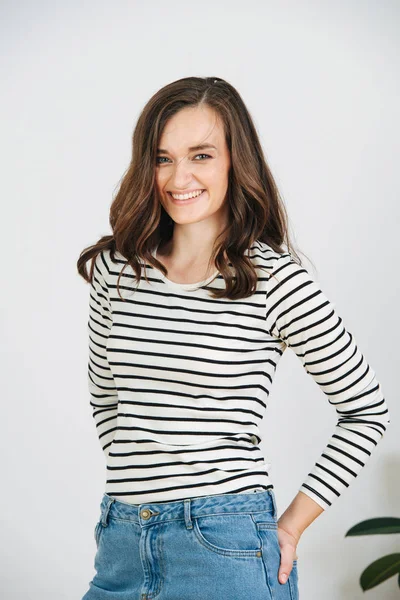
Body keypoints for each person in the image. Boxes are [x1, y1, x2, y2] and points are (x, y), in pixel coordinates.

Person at [77, 76, 391, 600]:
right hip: (121, 541)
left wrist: (289, 525)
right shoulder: (117, 269)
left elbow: (367, 411)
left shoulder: (275, 281)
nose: (179, 177)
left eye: (200, 155)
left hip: (224, 543)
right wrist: (141, 485)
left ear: (233, 161)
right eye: (162, 158)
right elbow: (107, 398)